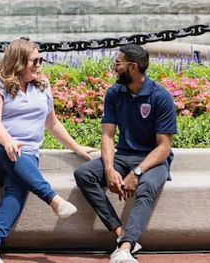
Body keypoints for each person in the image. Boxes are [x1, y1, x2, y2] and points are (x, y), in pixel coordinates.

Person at [0, 38, 96, 263]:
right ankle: (53, 200)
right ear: (18, 62)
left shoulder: (42, 86)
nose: (39, 64)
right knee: (11, 153)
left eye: (40, 60)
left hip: (22, 158)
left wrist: (77, 147)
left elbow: (52, 123)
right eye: (34, 61)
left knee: (18, 183)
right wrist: (7, 141)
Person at [74, 44, 178, 263]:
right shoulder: (114, 93)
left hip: (153, 160)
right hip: (122, 156)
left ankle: (125, 248)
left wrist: (137, 172)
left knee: (147, 186)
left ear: (133, 67)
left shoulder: (161, 97)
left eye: (118, 63)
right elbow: (108, 135)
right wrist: (109, 169)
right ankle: (121, 233)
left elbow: (163, 148)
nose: (114, 67)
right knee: (84, 174)